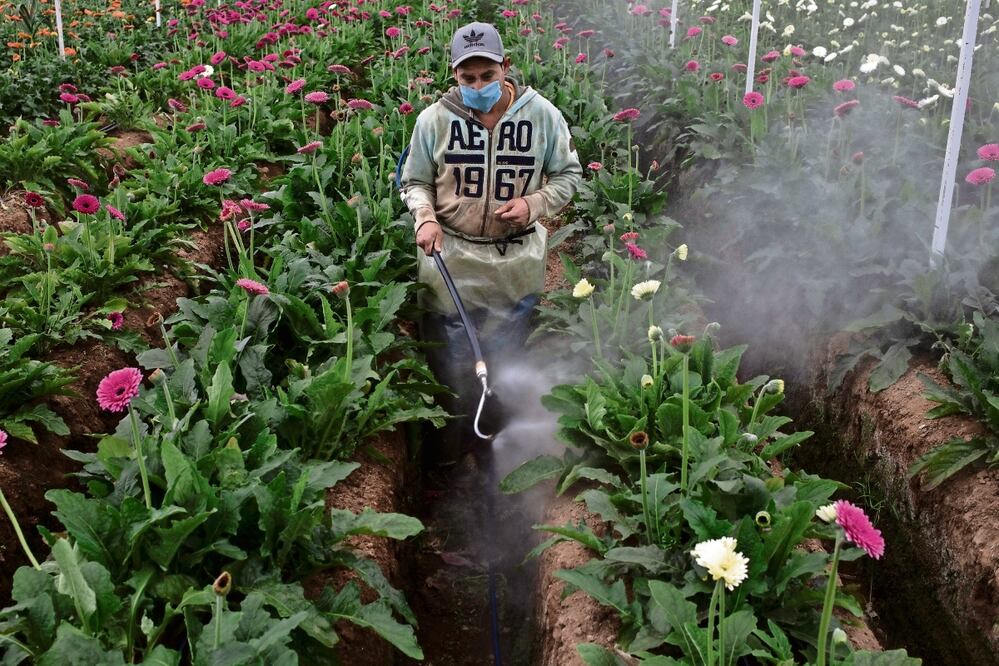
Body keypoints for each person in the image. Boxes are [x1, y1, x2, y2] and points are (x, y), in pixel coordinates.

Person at [399, 21, 582, 463]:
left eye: (487, 76)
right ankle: (450, 450)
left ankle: (493, 448)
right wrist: (425, 218)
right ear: (454, 75)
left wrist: (534, 204)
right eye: (467, 78)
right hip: (451, 260)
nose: (477, 86)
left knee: (504, 354)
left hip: (515, 261)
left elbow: (569, 176)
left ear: (505, 67)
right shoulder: (434, 120)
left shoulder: (543, 116)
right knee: (453, 361)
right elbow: (414, 181)